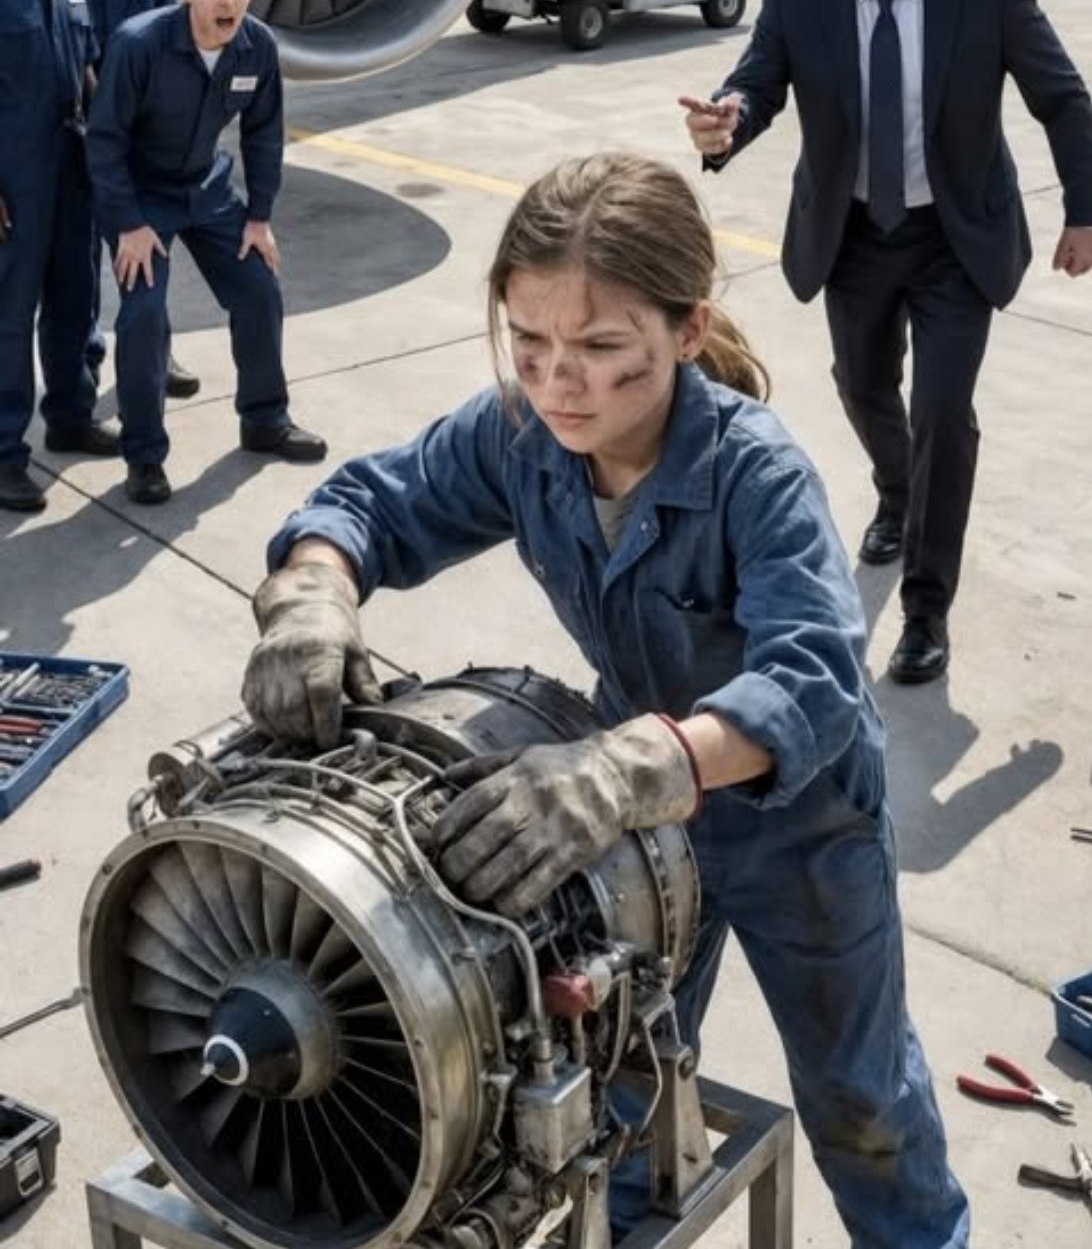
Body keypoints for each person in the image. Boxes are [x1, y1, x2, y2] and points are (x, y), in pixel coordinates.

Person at [241, 151, 972, 1248]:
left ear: (685, 331)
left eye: (598, 349)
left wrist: (624, 769)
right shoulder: (522, 439)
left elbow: (813, 681)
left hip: (795, 830)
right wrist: (310, 593)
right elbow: (372, 503)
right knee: (618, 1086)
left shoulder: (752, 473)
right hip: (630, 832)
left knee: (859, 1101)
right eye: (528, 344)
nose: (556, 382)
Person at [679, 0, 1092, 686]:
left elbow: (1059, 98)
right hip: (856, 236)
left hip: (955, 237)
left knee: (944, 412)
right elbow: (758, 81)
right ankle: (896, 489)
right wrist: (725, 123)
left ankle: (926, 606)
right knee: (864, 387)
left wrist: (1086, 213)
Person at [86, 0, 326, 505]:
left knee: (259, 289)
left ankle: (265, 419)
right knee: (143, 317)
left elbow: (263, 134)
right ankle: (144, 457)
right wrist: (128, 224)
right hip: (142, 198)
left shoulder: (257, 46)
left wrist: (259, 218)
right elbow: (104, 141)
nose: (228, 2)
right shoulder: (139, 44)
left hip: (207, 188)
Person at [54, 0, 201, 402]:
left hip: (138, 137)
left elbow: (171, 32)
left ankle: (153, 356)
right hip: (72, 134)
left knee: (148, 254)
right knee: (78, 265)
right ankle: (84, 370)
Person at [0, 0, 118, 514]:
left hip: (75, 170)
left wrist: (112, 152)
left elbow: (90, 69)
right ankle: (4, 453)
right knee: (11, 317)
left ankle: (70, 415)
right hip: (14, 176)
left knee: (77, 300)